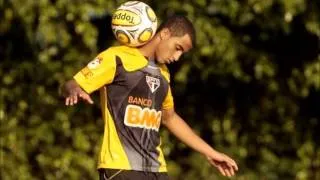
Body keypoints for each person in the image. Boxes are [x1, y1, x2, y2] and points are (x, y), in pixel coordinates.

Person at [61, 15, 238, 180]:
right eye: (177, 48)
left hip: (157, 170)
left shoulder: (163, 74)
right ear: (165, 33)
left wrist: (211, 152)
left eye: (182, 53)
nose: (177, 57)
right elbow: (70, 84)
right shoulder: (117, 58)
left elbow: (170, 118)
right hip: (122, 169)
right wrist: (73, 89)